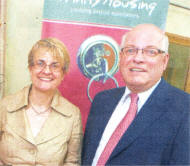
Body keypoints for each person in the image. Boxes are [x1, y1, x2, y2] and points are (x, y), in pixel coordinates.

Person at [81, 24, 190, 165]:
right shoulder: (102, 100)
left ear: (164, 61)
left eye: (150, 51)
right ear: (121, 57)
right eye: (130, 50)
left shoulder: (184, 109)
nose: (138, 59)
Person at [0, 38, 83, 165]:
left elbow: (73, 162)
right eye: (40, 63)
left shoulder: (73, 115)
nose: (46, 71)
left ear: (63, 73)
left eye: (55, 65)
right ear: (30, 68)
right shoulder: (5, 106)